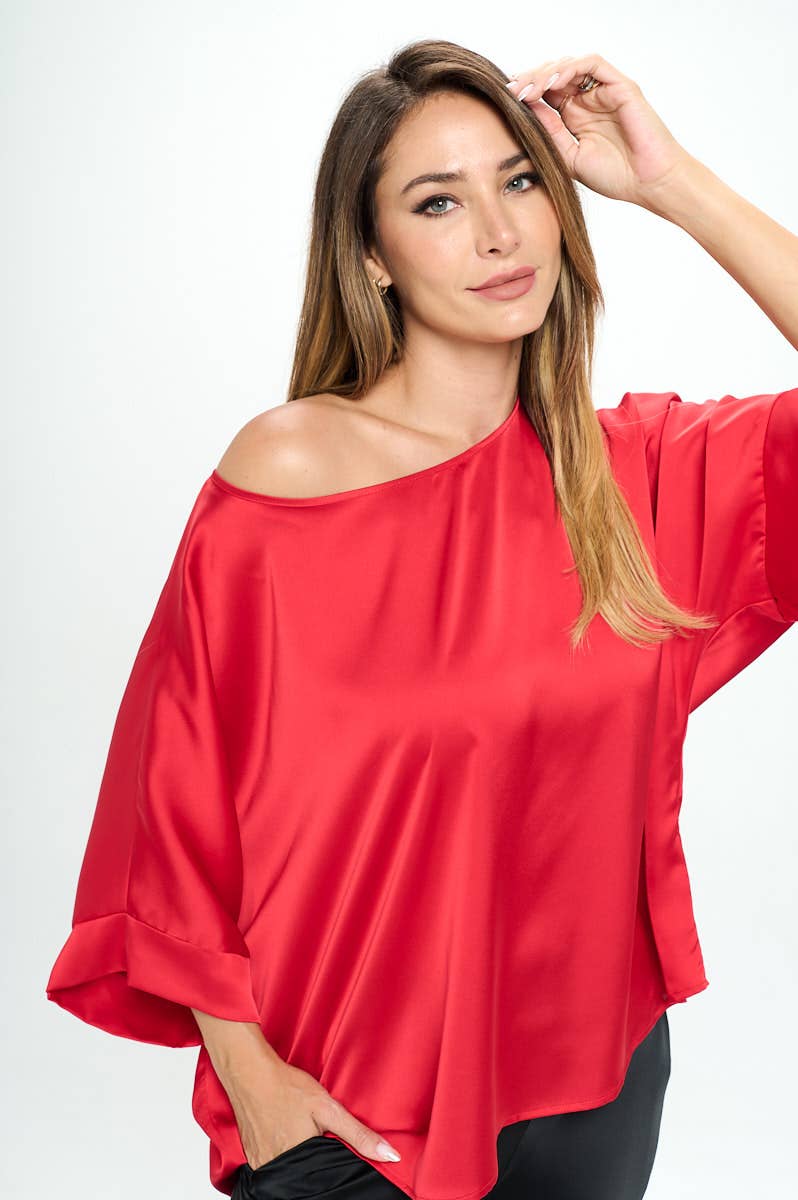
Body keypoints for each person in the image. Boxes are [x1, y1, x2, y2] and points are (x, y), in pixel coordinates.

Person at [45, 38, 797, 1200]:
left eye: (520, 182)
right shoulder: (290, 474)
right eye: (438, 201)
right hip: (353, 1115)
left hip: (595, 1095)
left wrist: (673, 184)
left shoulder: (631, 484)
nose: (499, 234)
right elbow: (179, 800)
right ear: (371, 254)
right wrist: (251, 1079)